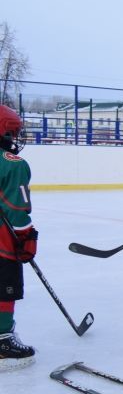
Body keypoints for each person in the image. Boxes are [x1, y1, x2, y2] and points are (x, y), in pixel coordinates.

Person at [0, 106, 38, 371]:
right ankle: (3, 339)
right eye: (13, 132)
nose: (15, 138)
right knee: (5, 286)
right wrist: (26, 239)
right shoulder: (13, 164)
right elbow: (17, 209)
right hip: (2, 244)